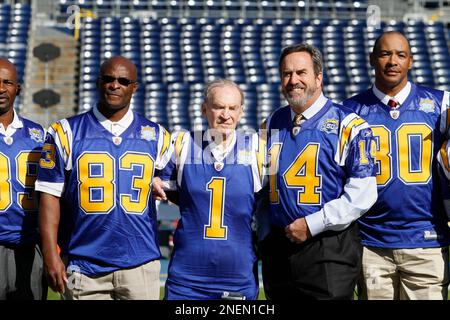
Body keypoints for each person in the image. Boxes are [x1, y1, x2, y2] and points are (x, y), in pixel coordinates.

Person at [35, 56, 171, 300]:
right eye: (108, 79)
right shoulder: (65, 132)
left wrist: (158, 180)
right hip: (84, 265)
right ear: (98, 83)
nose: (114, 85)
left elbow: (174, 183)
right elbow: (48, 196)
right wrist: (50, 254)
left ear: (134, 87)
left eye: (123, 80)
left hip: (140, 263)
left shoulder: (157, 136)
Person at [259, 43, 377, 300]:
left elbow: (362, 195)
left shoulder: (350, 125)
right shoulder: (271, 123)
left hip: (328, 248)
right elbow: (260, 185)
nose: (293, 81)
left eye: (301, 72)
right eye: (286, 74)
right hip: (279, 248)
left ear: (319, 77)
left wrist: (312, 224)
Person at [343, 31, 450, 300]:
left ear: (411, 61)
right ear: (371, 59)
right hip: (371, 244)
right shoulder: (348, 111)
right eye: (385, 54)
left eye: (400, 55)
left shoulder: (441, 104)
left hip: (426, 242)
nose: (393, 61)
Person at [154, 79, 264, 300]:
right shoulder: (182, 144)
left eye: (232, 108)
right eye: (218, 107)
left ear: (241, 112)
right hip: (186, 279)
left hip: (238, 276)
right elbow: (158, 186)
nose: (226, 114)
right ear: (204, 109)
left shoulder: (257, 149)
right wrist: (154, 181)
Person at [0, 58, 46, 300]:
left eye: (7, 82)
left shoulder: (39, 134)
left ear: (18, 87)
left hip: (29, 244)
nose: (0, 88)